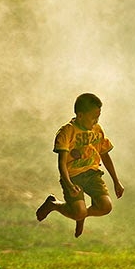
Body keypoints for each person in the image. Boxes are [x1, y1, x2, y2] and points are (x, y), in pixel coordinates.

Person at [36, 93, 124, 237]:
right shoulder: (67, 132)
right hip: (73, 176)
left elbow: (105, 155)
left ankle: (81, 215)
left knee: (106, 207)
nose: (96, 121)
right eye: (93, 117)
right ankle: (54, 204)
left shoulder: (97, 130)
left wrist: (116, 181)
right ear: (80, 115)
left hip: (92, 174)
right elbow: (62, 163)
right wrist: (69, 185)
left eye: (98, 117)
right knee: (78, 212)